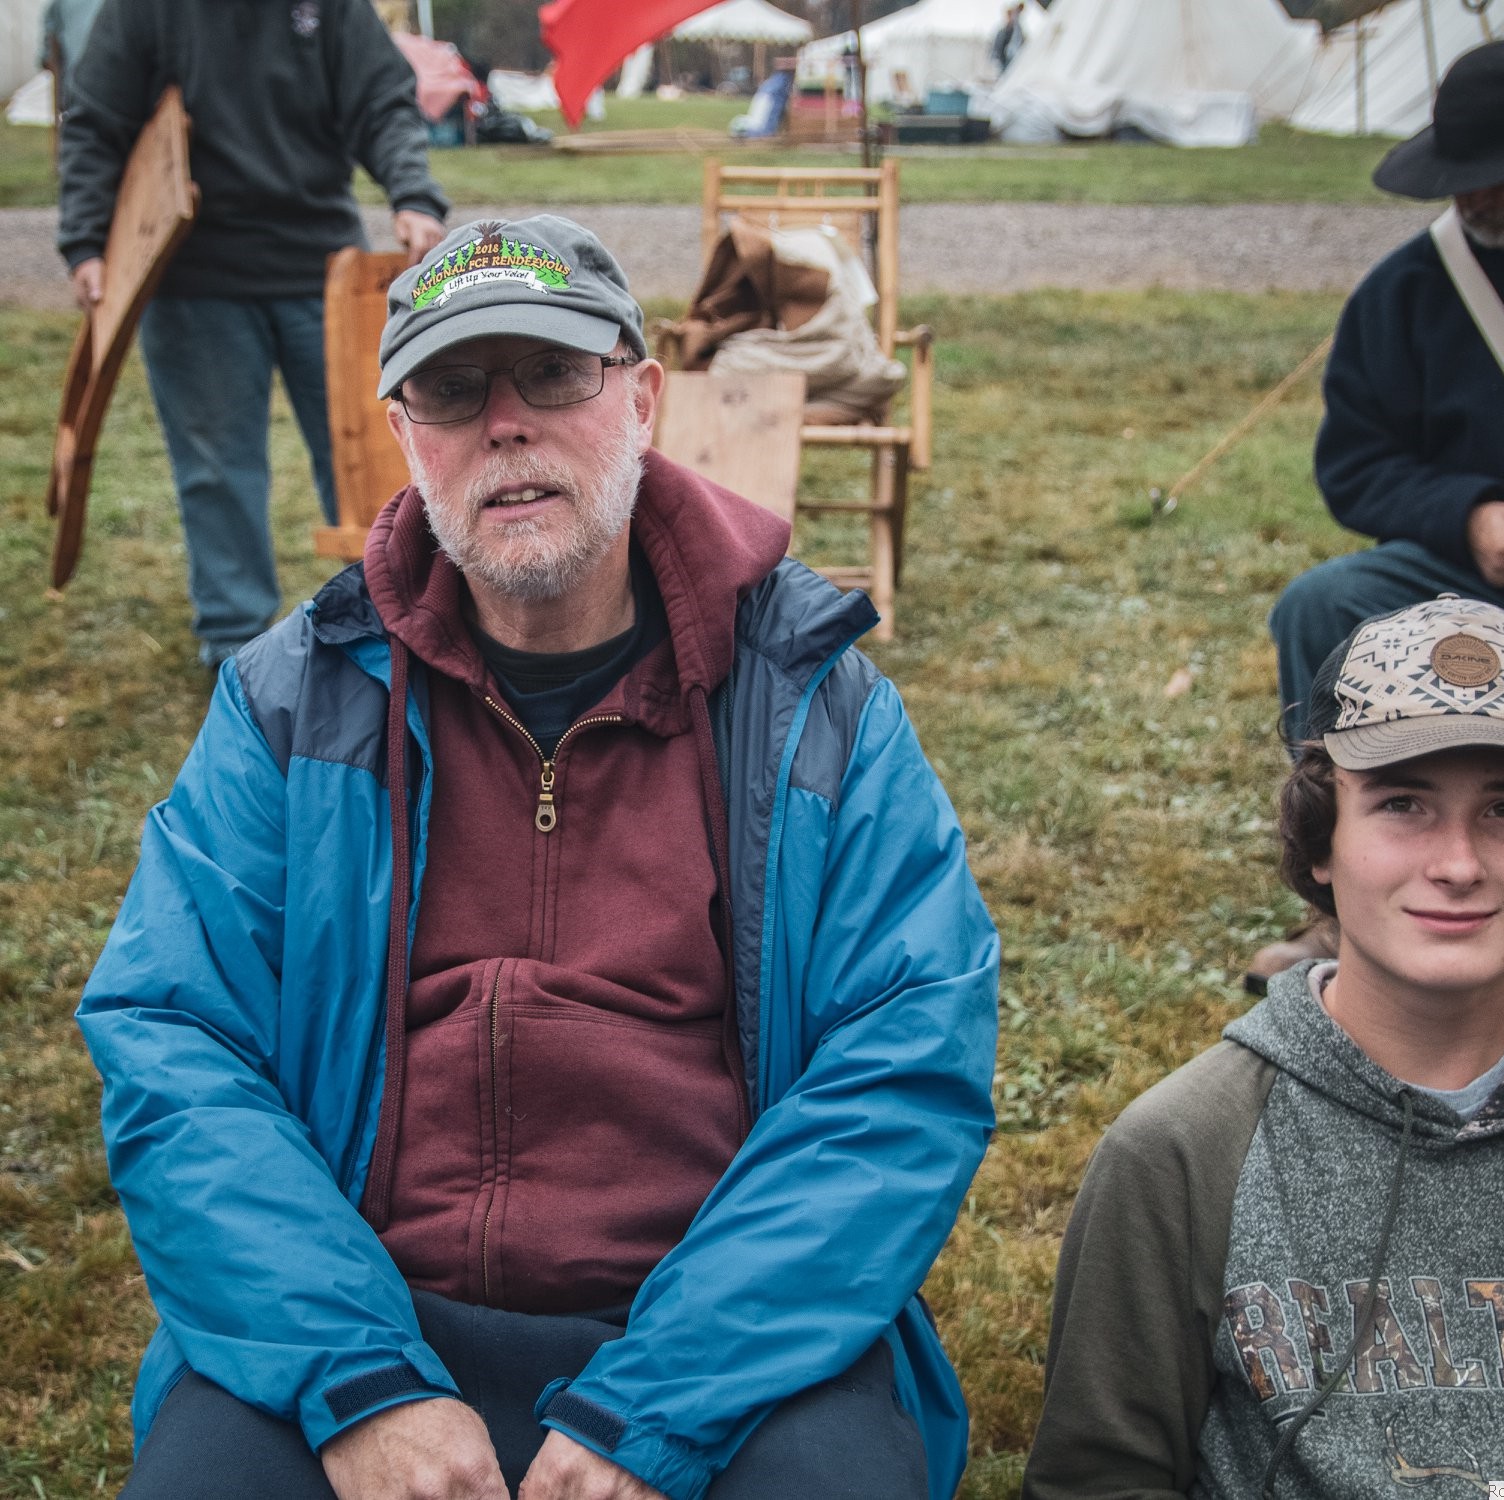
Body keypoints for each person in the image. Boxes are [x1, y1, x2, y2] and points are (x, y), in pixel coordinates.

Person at [77, 213, 999, 1500]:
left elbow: (902, 1069)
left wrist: (657, 1407)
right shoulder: (291, 703)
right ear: (405, 435)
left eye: (555, 373)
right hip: (363, 1310)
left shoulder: (814, 705)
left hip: (717, 1327)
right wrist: (362, 1381)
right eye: (454, 389)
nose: (506, 424)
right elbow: (174, 1042)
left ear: (643, 398)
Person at [1023, 594, 1504, 1499]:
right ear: (1322, 842)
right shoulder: (1182, 1156)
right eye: (1402, 804)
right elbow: (1098, 1480)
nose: (1458, 864)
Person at [1252, 36, 1504, 986]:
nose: (1476, 201)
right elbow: (1356, 463)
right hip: (1477, 574)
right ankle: (1344, 911)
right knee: (1322, 605)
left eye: (1500, 178)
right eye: (1461, 179)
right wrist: (1466, 516)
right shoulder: (1411, 288)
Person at [56, 0, 448, 669]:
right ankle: (235, 651)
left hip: (322, 267)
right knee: (217, 470)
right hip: (191, 277)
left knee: (379, 457)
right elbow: (96, 120)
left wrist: (412, 193)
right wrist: (87, 242)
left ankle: (406, 624)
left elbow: (381, 98)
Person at [991, 3, 1026, 73]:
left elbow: (1020, 45)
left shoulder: (1017, 31)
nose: (1011, 18)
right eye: (1009, 15)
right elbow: (996, 48)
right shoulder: (1001, 32)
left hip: (1014, 63)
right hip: (1003, 64)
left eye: (1012, 15)